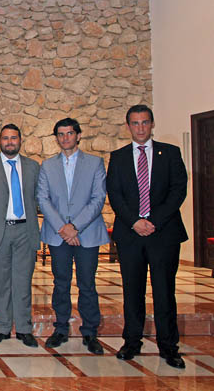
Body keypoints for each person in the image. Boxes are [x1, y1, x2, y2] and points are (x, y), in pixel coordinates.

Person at [106, 104, 188, 369]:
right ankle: (131, 342)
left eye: (144, 123)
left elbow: (178, 191)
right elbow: (115, 194)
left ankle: (168, 347)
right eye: (135, 123)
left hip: (163, 233)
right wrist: (135, 222)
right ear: (128, 126)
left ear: (152, 124)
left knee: (164, 291)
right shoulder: (118, 157)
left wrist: (152, 221)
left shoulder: (171, 153)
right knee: (132, 291)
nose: (140, 128)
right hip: (130, 234)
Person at [37, 118, 108, 354]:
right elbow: (43, 199)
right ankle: (60, 328)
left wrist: (75, 227)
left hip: (86, 233)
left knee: (87, 283)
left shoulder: (95, 163)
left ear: (78, 136)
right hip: (59, 235)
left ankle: (90, 332)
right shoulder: (47, 166)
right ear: (56, 137)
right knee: (60, 283)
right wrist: (63, 228)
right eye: (60, 134)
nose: (65, 137)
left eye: (69, 133)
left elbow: (98, 199)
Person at [0, 124, 40, 347]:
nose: (9, 142)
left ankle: (25, 328)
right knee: (0, 281)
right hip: (0, 229)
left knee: (23, 280)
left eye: (13, 138)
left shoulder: (33, 166)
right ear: (0, 141)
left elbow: (39, 197)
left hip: (25, 229)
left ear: (20, 140)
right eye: (5, 138)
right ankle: (1, 326)